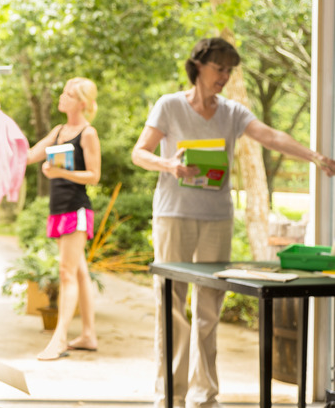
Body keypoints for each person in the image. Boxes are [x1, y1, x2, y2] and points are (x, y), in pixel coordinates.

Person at [131, 37, 335, 407]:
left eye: (229, 70)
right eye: (218, 68)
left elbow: (270, 136)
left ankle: (204, 394)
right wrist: (169, 165)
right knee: (172, 305)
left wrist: (313, 155)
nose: (224, 75)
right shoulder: (170, 106)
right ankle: (170, 395)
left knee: (209, 308)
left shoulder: (232, 112)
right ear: (198, 67)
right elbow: (139, 152)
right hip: (174, 213)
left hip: (217, 218)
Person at [27, 77, 101, 361]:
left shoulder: (87, 133)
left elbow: (94, 176)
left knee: (67, 274)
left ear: (81, 102)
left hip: (77, 210)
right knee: (79, 273)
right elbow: (31, 155)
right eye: (63, 92)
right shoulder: (59, 131)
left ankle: (59, 341)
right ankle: (89, 335)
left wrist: (60, 174)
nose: (62, 97)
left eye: (68, 94)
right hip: (59, 210)